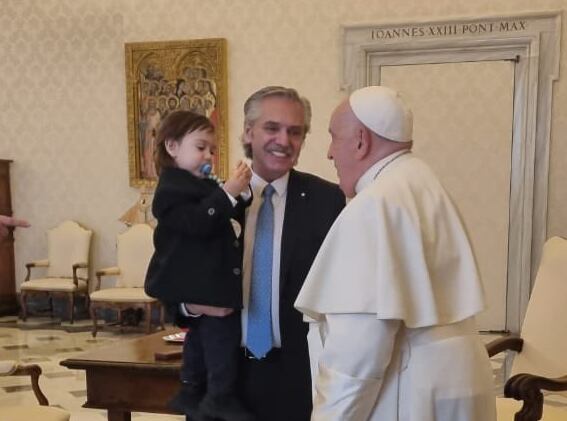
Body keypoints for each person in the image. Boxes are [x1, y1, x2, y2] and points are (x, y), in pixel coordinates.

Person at [295, 85, 496, 421]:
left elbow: (357, 353)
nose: (330, 153)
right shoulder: (422, 182)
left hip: (410, 394)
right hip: (456, 384)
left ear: (360, 141)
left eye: (333, 137)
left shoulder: (374, 206)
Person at [179, 86, 346, 421]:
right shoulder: (206, 201)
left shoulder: (328, 202)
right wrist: (190, 304)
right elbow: (174, 289)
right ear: (248, 132)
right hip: (221, 377)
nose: (283, 140)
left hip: (296, 378)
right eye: (272, 128)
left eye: (294, 132)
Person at [144, 110, 254, 421]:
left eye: (212, 149)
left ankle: (191, 390)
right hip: (195, 281)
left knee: (200, 337)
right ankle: (218, 395)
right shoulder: (172, 187)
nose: (209, 154)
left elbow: (223, 213)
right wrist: (227, 192)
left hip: (207, 280)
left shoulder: (202, 183)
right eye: (201, 147)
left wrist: (241, 195)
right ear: (172, 147)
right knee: (220, 338)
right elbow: (197, 222)